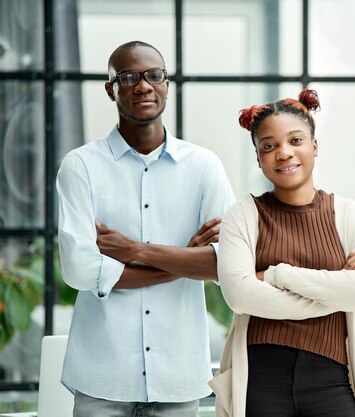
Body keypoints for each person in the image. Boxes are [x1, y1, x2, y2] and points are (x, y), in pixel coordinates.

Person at [56, 40, 236, 417]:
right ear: (111, 89)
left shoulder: (204, 167)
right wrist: (185, 259)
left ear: (167, 85)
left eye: (154, 75)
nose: (143, 86)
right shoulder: (80, 167)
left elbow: (226, 265)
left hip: (178, 379)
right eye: (128, 77)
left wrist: (135, 252)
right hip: (102, 380)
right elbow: (80, 270)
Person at [210, 89, 355, 417]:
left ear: (314, 146)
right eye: (269, 146)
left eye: (295, 140)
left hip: (333, 379)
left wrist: (277, 275)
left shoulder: (349, 215)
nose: (283, 153)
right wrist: (337, 287)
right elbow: (240, 297)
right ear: (260, 157)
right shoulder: (243, 216)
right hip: (260, 379)